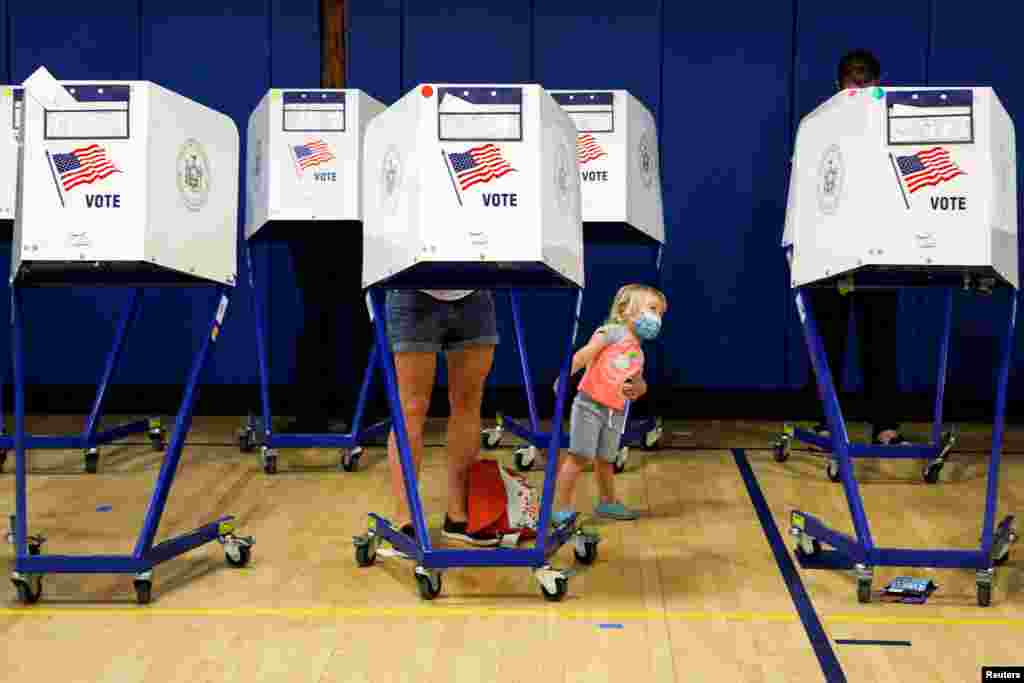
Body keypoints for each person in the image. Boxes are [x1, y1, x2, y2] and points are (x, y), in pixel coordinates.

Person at [802, 48, 904, 446]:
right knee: (828, 339)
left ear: (878, 81)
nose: (858, 82)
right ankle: (828, 421)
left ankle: (885, 424)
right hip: (830, 248)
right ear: (838, 82)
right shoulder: (820, 124)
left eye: (865, 75)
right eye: (851, 75)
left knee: (880, 340)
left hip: (880, 249)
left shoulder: (893, 124)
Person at [385, 288, 500, 546]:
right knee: (412, 406)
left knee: (468, 402)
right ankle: (405, 518)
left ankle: (458, 515)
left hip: (474, 291)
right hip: (413, 290)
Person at [551, 284, 667, 524]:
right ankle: (560, 506)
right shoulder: (612, 332)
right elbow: (585, 354)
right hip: (589, 406)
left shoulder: (639, 352)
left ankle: (608, 502)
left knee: (606, 459)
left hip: (616, 412)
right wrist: (565, 376)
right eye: (652, 309)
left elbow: (638, 383)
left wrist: (638, 389)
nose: (656, 318)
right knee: (579, 456)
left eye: (661, 314)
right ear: (626, 310)